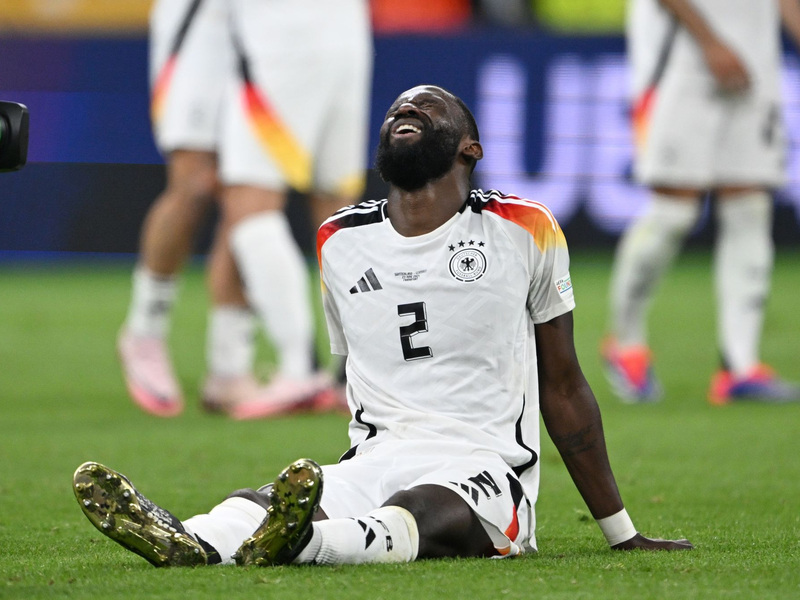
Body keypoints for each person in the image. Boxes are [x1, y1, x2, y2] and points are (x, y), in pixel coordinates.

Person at [74, 86, 692, 567]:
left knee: (422, 509)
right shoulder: (339, 240)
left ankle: (305, 544)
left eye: (429, 105)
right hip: (376, 456)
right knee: (276, 499)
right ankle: (189, 538)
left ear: (470, 148)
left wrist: (621, 532)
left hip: (483, 468)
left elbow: (564, 385)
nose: (408, 107)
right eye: (398, 106)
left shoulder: (523, 228)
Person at [118, 0, 372, 418]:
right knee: (198, 184)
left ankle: (230, 365)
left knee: (244, 189)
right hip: (204, 21)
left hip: (279, 23)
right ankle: (146, 329)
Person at [604, 0, 800, 404]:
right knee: (674, 212)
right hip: (681, 58)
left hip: (757, 59)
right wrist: (711, 42)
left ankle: (740, 367)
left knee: (750, 207)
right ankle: (625, 343)